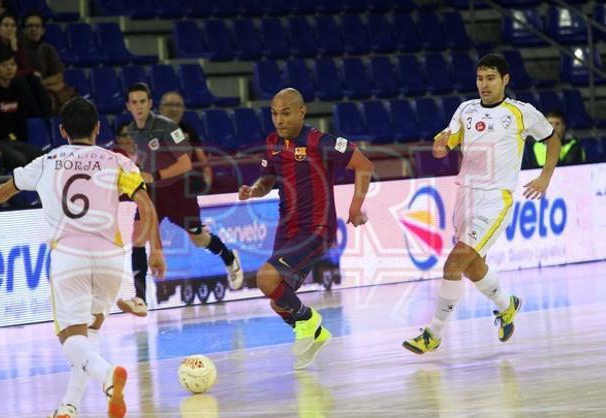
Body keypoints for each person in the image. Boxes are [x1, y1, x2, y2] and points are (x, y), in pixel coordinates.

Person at [0, 97, 166, 418]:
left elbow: (4, 191)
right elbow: (147, 208)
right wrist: (156, 251)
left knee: (71, 338)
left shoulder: (48, 160)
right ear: (98, 128)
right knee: (89, 333)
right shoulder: (116, 161)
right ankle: (68, 408)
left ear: (62, 131)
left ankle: (108, 376)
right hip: (109, 258)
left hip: (70, 256)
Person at [402, 53, 561, 355]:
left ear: (505, 80)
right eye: (480, 78)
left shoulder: (521, 112)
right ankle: (507, 305)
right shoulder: (466, 109)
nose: (484, 84)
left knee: (454, 262)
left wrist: (545, 178)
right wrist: (440, 145)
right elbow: (444, 145)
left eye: (490, 78)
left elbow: (552, 139)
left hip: (495, 200)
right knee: (473, 267)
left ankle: (433, 333)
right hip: (465, 195)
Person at [238, 88, 374, 369]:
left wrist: (355, 206)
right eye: (274, 114)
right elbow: (266, 181)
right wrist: (252, 191)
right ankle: (317, 333)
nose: (279, 120)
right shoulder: (273, 142)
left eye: (285, 113)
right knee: (278, 300)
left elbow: (364, 165)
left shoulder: (319, 141)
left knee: (266, 278)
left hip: (316, 228)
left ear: (302, 112)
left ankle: (309, 320)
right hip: (287, 229)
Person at [116, 83, 243, 317]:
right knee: (137, 236)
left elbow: (185, 164)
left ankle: (228, 256)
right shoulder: (132, 130)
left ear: (150, 103)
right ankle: (140, 298)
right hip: (153, 192)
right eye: (133, 102)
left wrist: (154, 175)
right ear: (128, 106)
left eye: (142, 101)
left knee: (198, 238)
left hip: (178, 191)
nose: (139, 106)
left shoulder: (166, 126)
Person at [0, 49, 42, 170]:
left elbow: (21, 119)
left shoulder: (18, 87)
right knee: (19, 160)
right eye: (4, 65)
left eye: (12, 64)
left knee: (40, 156)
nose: (9, 68)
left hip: (8, 139)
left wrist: (22, 142)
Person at [21, 11, 77, 113]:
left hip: (44, 91)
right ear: (24, 30)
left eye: (37, 26)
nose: (34, 29)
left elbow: (58, 76)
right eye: (30, 26)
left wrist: (40, 84)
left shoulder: (48, 49)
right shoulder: (17, 50)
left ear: (43, 30)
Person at [158, 91, 212, 194]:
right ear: (160, 108)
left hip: (187, 182)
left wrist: (207, 182)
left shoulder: (188, 130)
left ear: (183, 109)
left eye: (178, 105)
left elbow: (203, 161)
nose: (173, 109)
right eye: (169, 105)